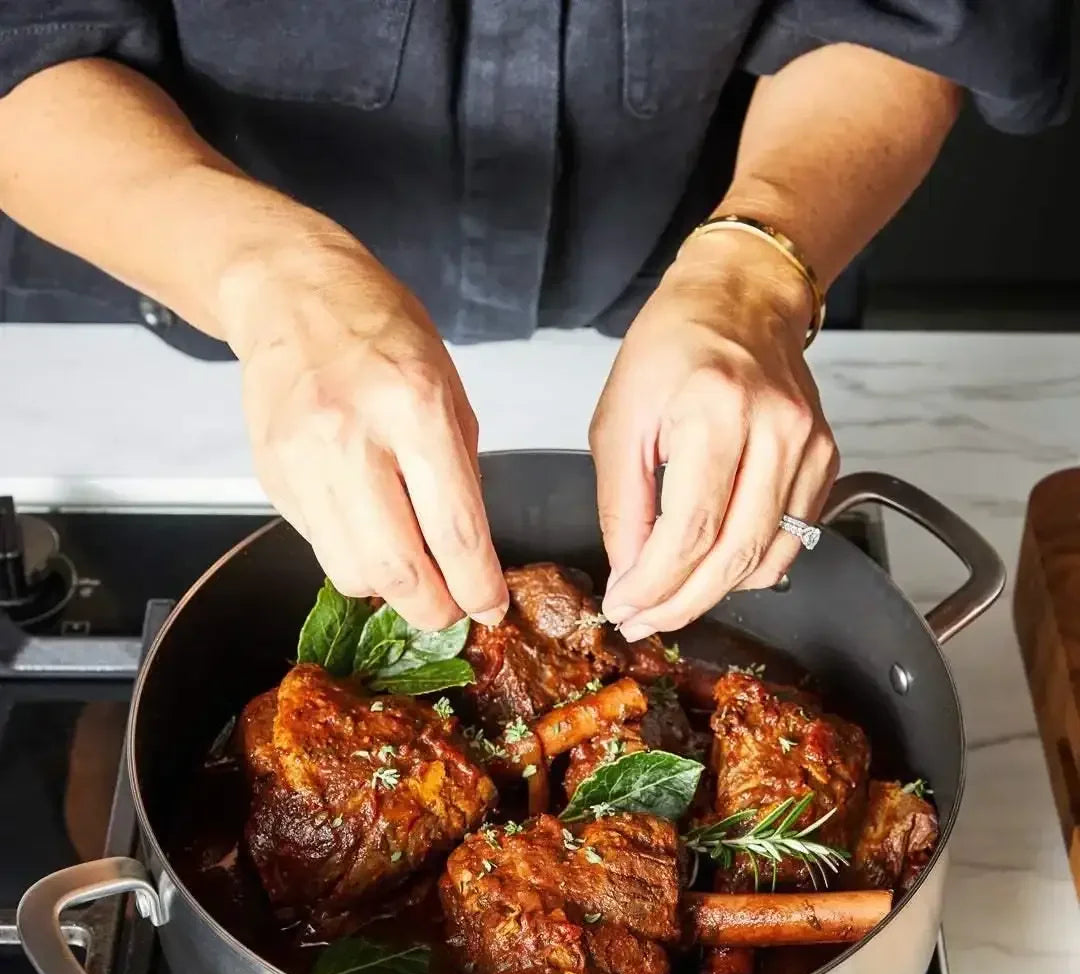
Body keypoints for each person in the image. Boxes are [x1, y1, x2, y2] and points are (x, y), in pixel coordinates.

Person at [0, 4, 1068, 638]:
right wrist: (270, 277)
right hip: (171, 306)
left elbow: (913, 15)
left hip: (706, 286)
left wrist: (758, 270)